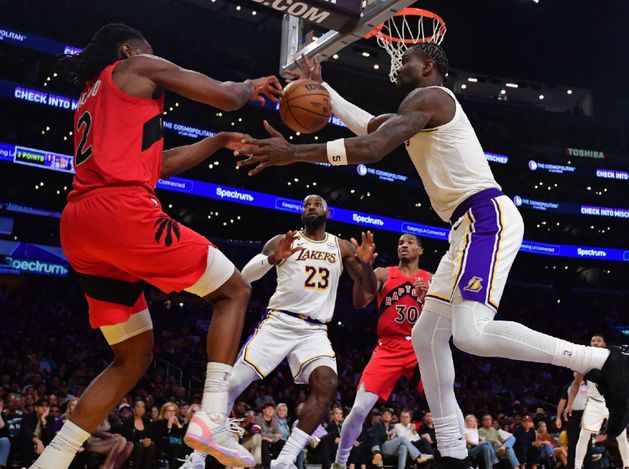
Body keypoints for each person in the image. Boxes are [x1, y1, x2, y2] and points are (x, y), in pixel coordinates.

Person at [234, 49, 629, 469]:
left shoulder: (432, 98)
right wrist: (327, 93)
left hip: (486, 218)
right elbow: (371, 127)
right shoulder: (415, 112)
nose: (397, 66)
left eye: (405, 59)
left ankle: (601, 360)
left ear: (428, 67)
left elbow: (372, 147)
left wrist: (294, 152)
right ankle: (453, 453)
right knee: (426, 335)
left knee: (470, 333)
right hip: (465, 227)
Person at [30, 22, 281, 469]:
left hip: (81, 223)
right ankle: (212, 417)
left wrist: (218, 141)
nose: (156, 58)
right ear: (129, 51)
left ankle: (51, 461)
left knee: (132, 357)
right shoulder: (136, 67)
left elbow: (156, 165)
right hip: (122, 213)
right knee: (234, 291)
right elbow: (226, 97)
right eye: (149, 50)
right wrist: (249, 86)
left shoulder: (94, 93)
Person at [182, 194, 377, 469]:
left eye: (317, 204)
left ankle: (284, 460)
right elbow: (245, 275)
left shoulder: (341, 246)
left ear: (328, 212)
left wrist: (366, 266)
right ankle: (196, 458)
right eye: (306, 204)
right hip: (280, 322)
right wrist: (274, 258)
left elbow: (366, 294)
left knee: (328, 383)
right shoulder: (284, 240)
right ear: (302, 212)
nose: (311, 207)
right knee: (233, 383)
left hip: (314, 331)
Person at [333, 234, 430, 469]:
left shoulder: (431, 279)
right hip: (388, 347)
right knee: (359, 409)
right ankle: (340, 462)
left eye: (410, 242)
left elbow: (445, 318)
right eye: (400, 243)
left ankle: (456, 458)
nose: (404, 245)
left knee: (444, 402)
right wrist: (364, 268)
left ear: (420, 250)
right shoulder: (383, 274)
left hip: (420, 348)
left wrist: (427, 298)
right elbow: (359, 302)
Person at [566, 334, 629, 469]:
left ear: (604, 344)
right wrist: (570, 403)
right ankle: (577, 466)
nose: (595, 342)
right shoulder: (586, 360)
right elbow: (576, 383)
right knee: (584, 435)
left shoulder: (614, 357)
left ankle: (627, 465)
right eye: (593, 341)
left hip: (613, 402)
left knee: (621, 436)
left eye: (598, 340)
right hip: (594, 403)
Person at [557, 374, 591, 469]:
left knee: (587, 444)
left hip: (586, 415)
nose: (576, 373)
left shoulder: (589, 385)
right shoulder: (568, 386)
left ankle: (587, 466)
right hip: (572, 415)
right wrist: (558, 417)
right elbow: (562, 402)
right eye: (575, 371)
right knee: (572, 444)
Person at [119, 400, 157, 469]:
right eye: (138, 406)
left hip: (145, 447)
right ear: (133, 409)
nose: (140, 409)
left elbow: (151, 435)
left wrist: (148, 440)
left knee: (152, 445)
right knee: (139, 445)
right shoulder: (128, 422)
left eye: (143, 407)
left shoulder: (147, 421)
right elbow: (126, 438)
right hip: (132, 447)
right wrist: (141, 441)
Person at [18, 398, 56, 467]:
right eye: (42, 406)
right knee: (27, 444)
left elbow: (50, 436)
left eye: (47, 406)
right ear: (36, 408)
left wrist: (43, 420)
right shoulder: (28, 417)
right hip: (28, 442)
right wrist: (38, 441)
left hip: (43, 443)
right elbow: (26, 431)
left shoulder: (51, 419)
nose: (44, 408)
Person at [153, 401, 186, 468]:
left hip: (176, 446)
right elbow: (161, 438)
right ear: (164, 412)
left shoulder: (178, 423)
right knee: (178, 447)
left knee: (181, 448)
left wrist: (179, 425)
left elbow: (184, 438)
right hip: (162, 445)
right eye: (169, 410)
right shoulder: (159, 422)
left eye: (173, 411)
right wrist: (169, 425)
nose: (171, 413)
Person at [257, 401, 283, 468]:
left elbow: (279, 434)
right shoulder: (258, 419)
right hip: (259, 442)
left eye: (272, 409)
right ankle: (267, 466)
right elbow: (260, 433)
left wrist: (271, 439)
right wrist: (273, 436)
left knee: (281, 442)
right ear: (263, 411)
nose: (271, 410)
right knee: (264, 442)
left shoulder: (274, 420)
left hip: (271, 442)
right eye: (268, 409)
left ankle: (277, 464)